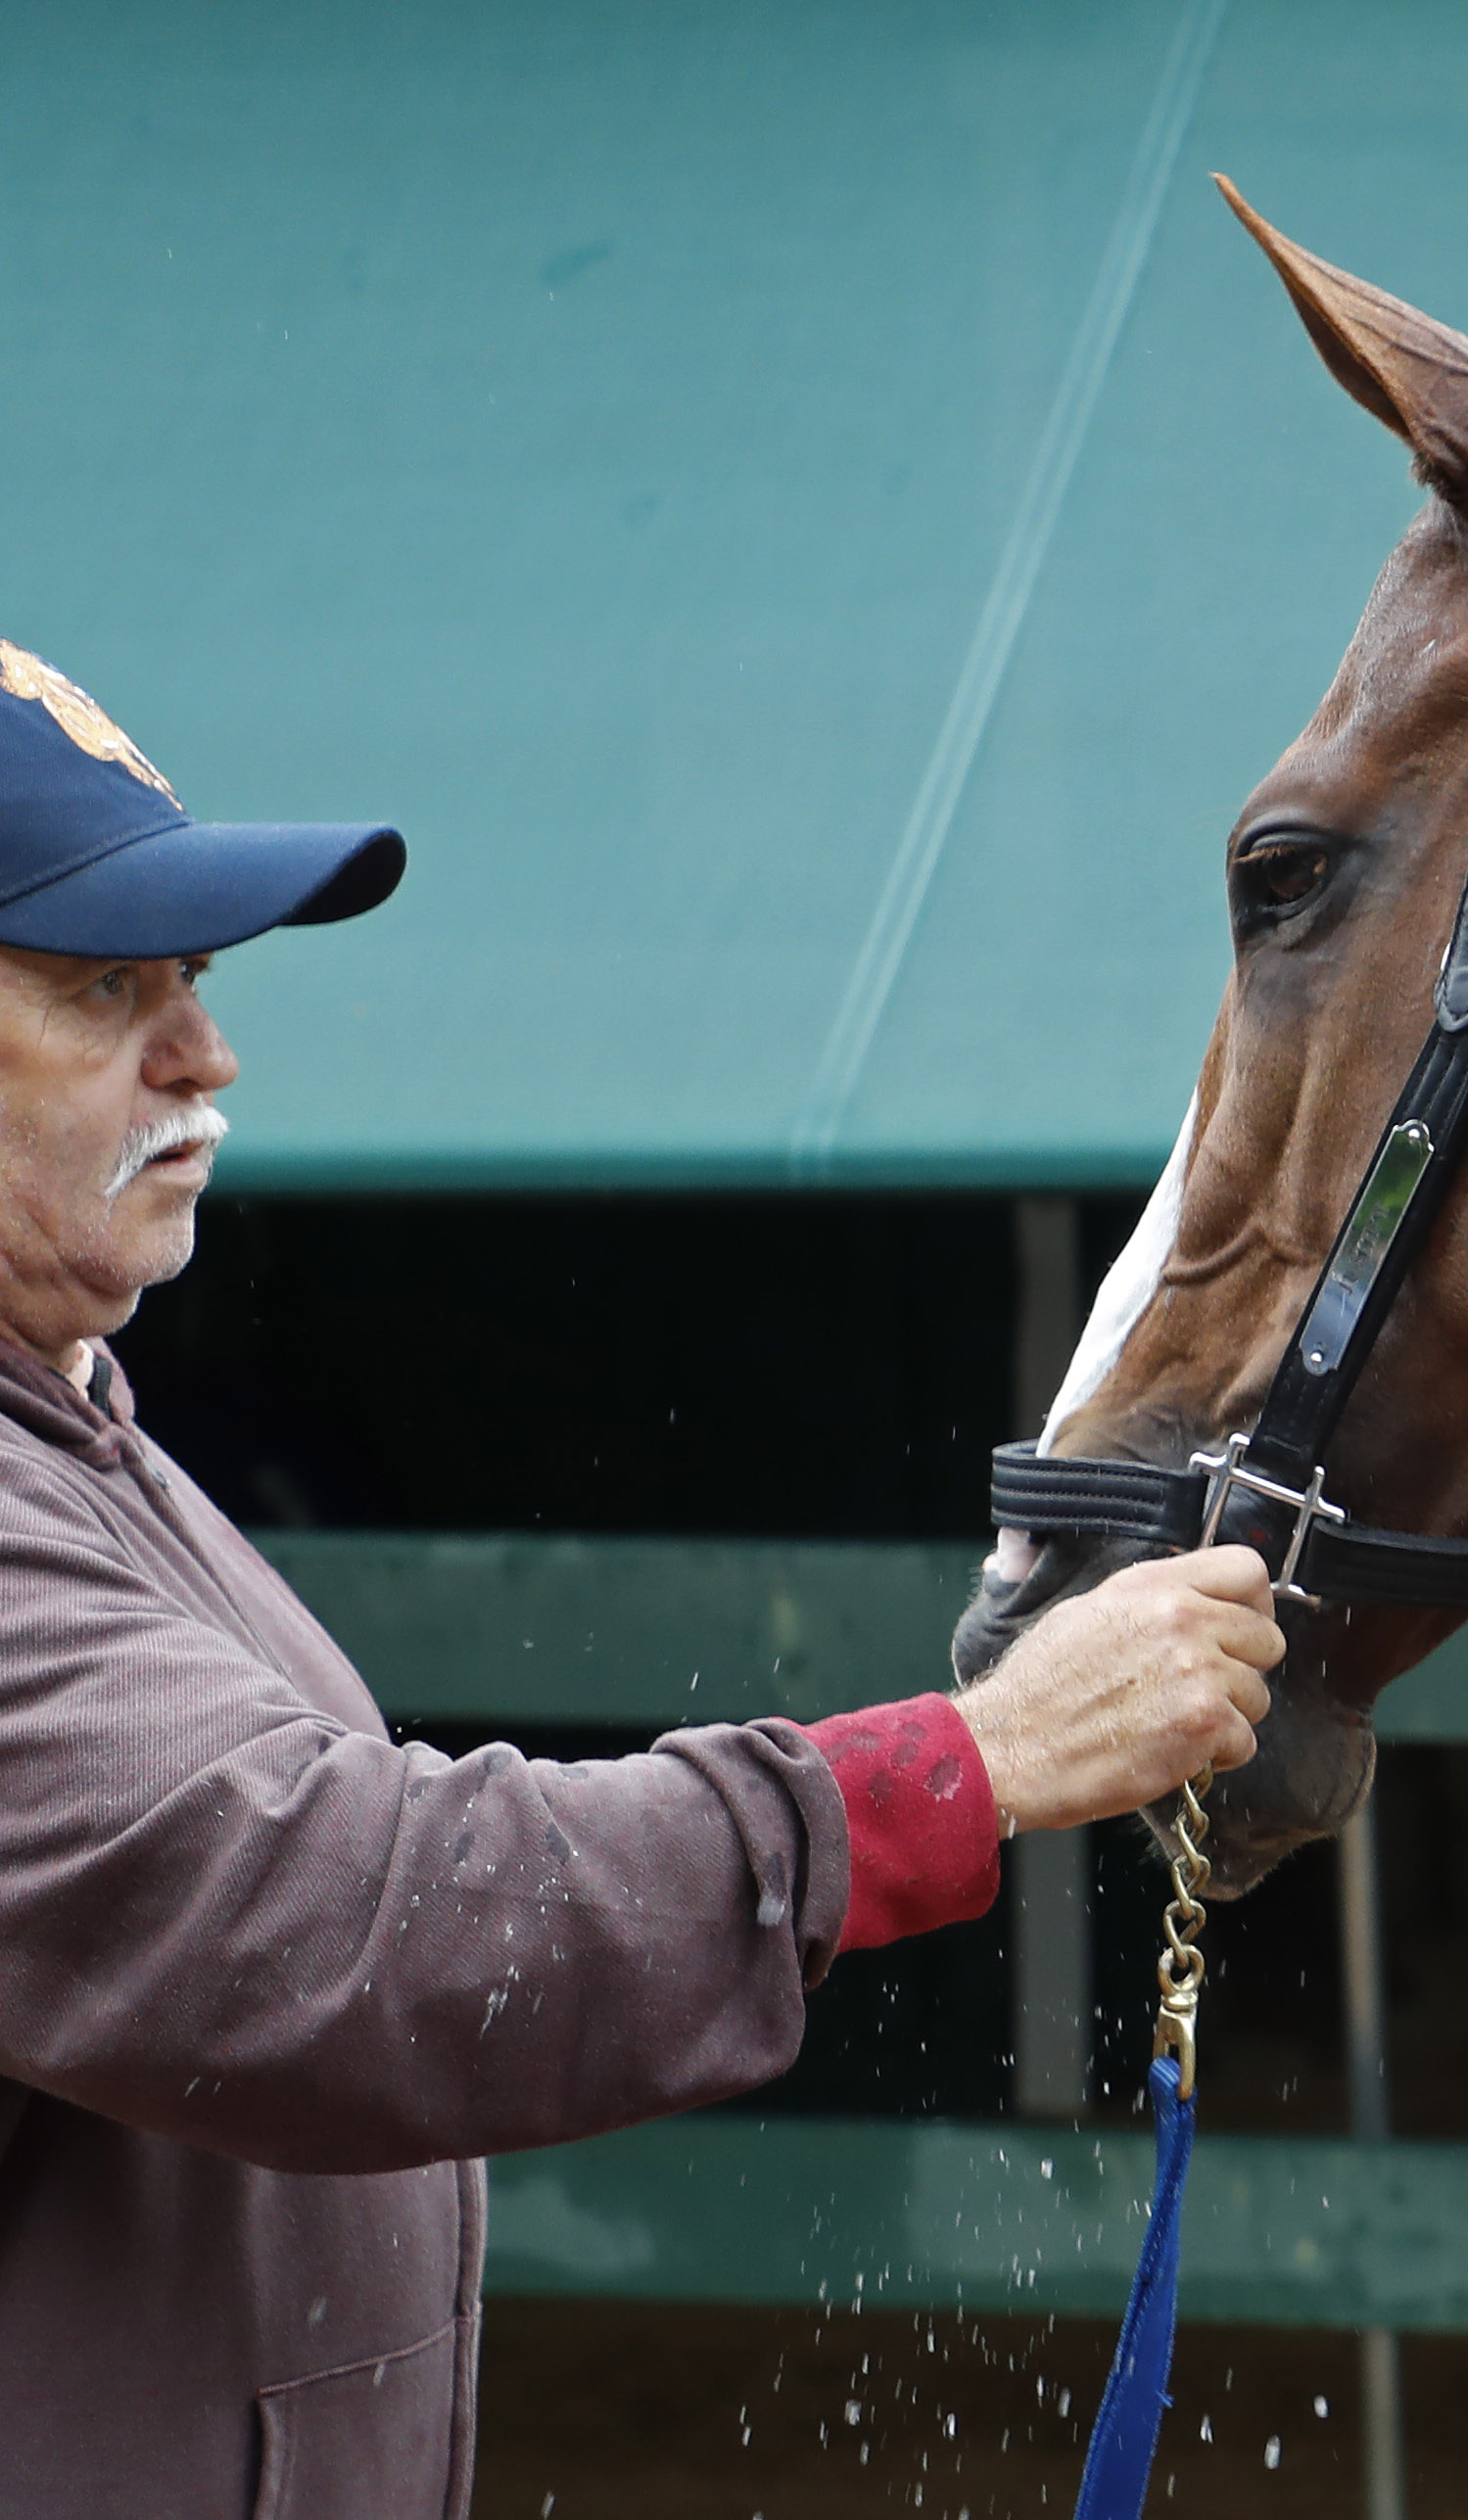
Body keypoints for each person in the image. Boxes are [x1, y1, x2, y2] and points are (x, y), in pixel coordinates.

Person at [0, 643, 1284, 2516]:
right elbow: (350, 1931)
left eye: (191, 977)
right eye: (108, 984)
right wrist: (965, 1766)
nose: (206, 1052)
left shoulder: (73, 1419)